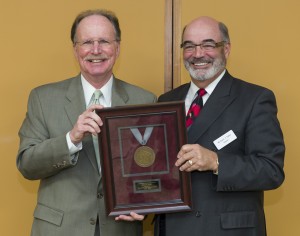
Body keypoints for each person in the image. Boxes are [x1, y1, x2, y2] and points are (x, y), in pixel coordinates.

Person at [17, 9, 156, 236]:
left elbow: (152, 170)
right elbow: (27, 164)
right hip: (60, 229)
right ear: (75, 49)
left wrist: (147, 204)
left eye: (104, 41)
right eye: (87, 42)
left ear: (118, 48)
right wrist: (71, 139)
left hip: (121, 228)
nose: (96, 50)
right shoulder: (42, 98)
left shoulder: (144, 100)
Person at [154, 16, 285, 236]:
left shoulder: (254, 99)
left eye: (208, 45)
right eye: (189, 46)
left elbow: (271, 171)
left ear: (226, 48)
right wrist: (138, 202)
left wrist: (216, 161)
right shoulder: (166, 100)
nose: (197, 54)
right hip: (172, 228)